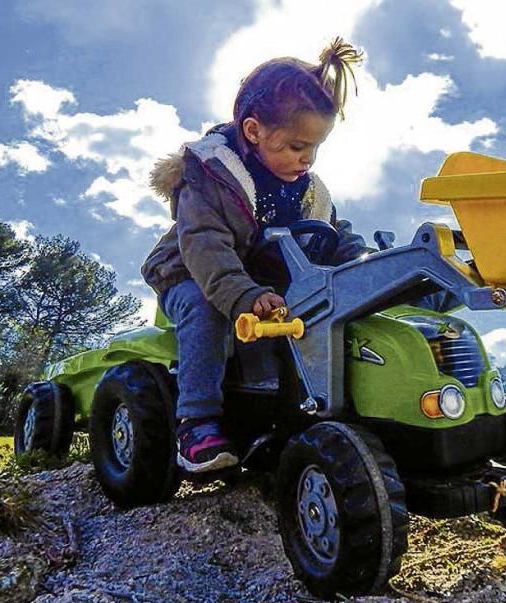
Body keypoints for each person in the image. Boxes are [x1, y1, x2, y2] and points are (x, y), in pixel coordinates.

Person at [141, 38, 373, 473]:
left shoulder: (307, 190)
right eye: (295, 146)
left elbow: (336, 233)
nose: (306, 159)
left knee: (323, 312)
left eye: (315, 148)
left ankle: (296, 412)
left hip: (261, 286)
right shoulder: (210, 177)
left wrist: (366, 267)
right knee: (204, 310)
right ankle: (197, 422)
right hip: (192, 274)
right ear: (253, 131)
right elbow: (205, 247)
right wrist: (244, 295)